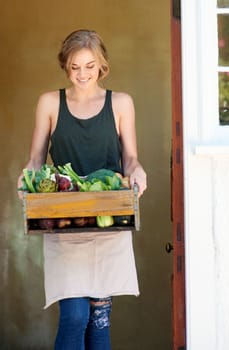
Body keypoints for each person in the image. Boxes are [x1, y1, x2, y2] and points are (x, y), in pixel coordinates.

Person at [17, 29, 147, 350]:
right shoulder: (50, 103)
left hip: (108, 221)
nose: (82, 74)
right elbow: (35, 159)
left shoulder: (121, 103)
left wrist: (138, 171)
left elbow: (130, 159)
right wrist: (27, 179)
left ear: (101, 66)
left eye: (90, 66)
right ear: (65, 66)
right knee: (75, 316)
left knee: (99, 320)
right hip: (64, 223)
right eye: (75, 67)